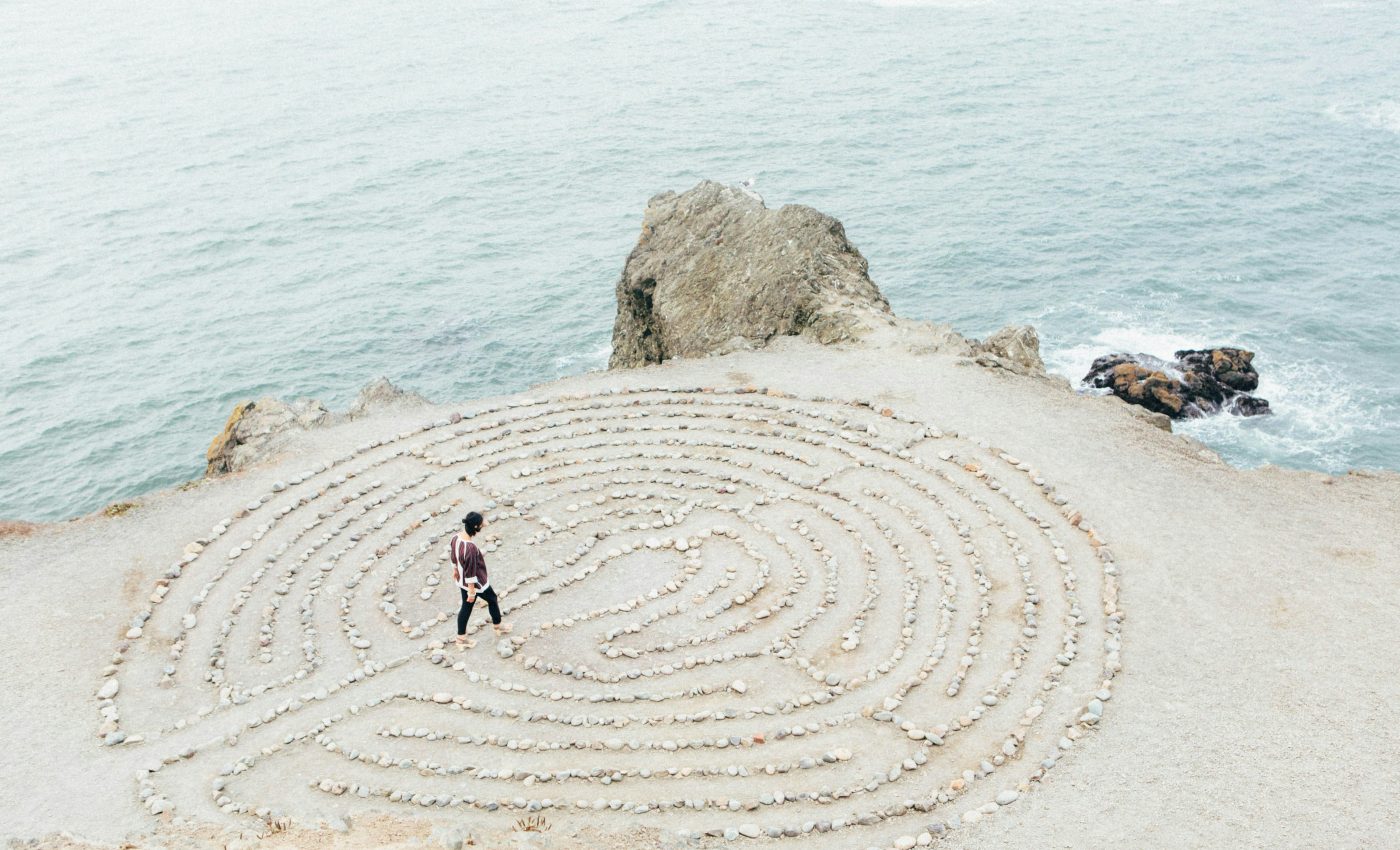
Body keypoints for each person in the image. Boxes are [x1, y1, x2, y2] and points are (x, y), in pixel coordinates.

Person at [449, 511, 510, 648]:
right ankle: (498, 626)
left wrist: (455, 569)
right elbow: (471, 570)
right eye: (481, 524)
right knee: (492, 599)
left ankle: (461, 638)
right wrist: (472, 591)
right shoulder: (470, 548)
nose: (483, 525)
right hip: (476, 583)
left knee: (467, 607)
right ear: (476, 527)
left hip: (462, 580)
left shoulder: (455, 537)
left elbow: (453, 555)